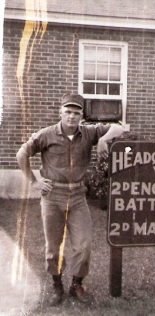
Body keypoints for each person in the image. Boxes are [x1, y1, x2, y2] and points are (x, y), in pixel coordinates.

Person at [16, 93, 124, 306]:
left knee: (83, 244)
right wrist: (33, 182)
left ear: (82, 116)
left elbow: (120, 127)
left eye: (76, 113)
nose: (72, 117)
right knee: (54, 246)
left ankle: (76, 284)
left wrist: (103, 138)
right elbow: (22, 154)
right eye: (68, 112)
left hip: (77, 197)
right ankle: (57, 285)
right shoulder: (46, 135)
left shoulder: (88, 133)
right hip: (53, 196)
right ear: (61, 113)